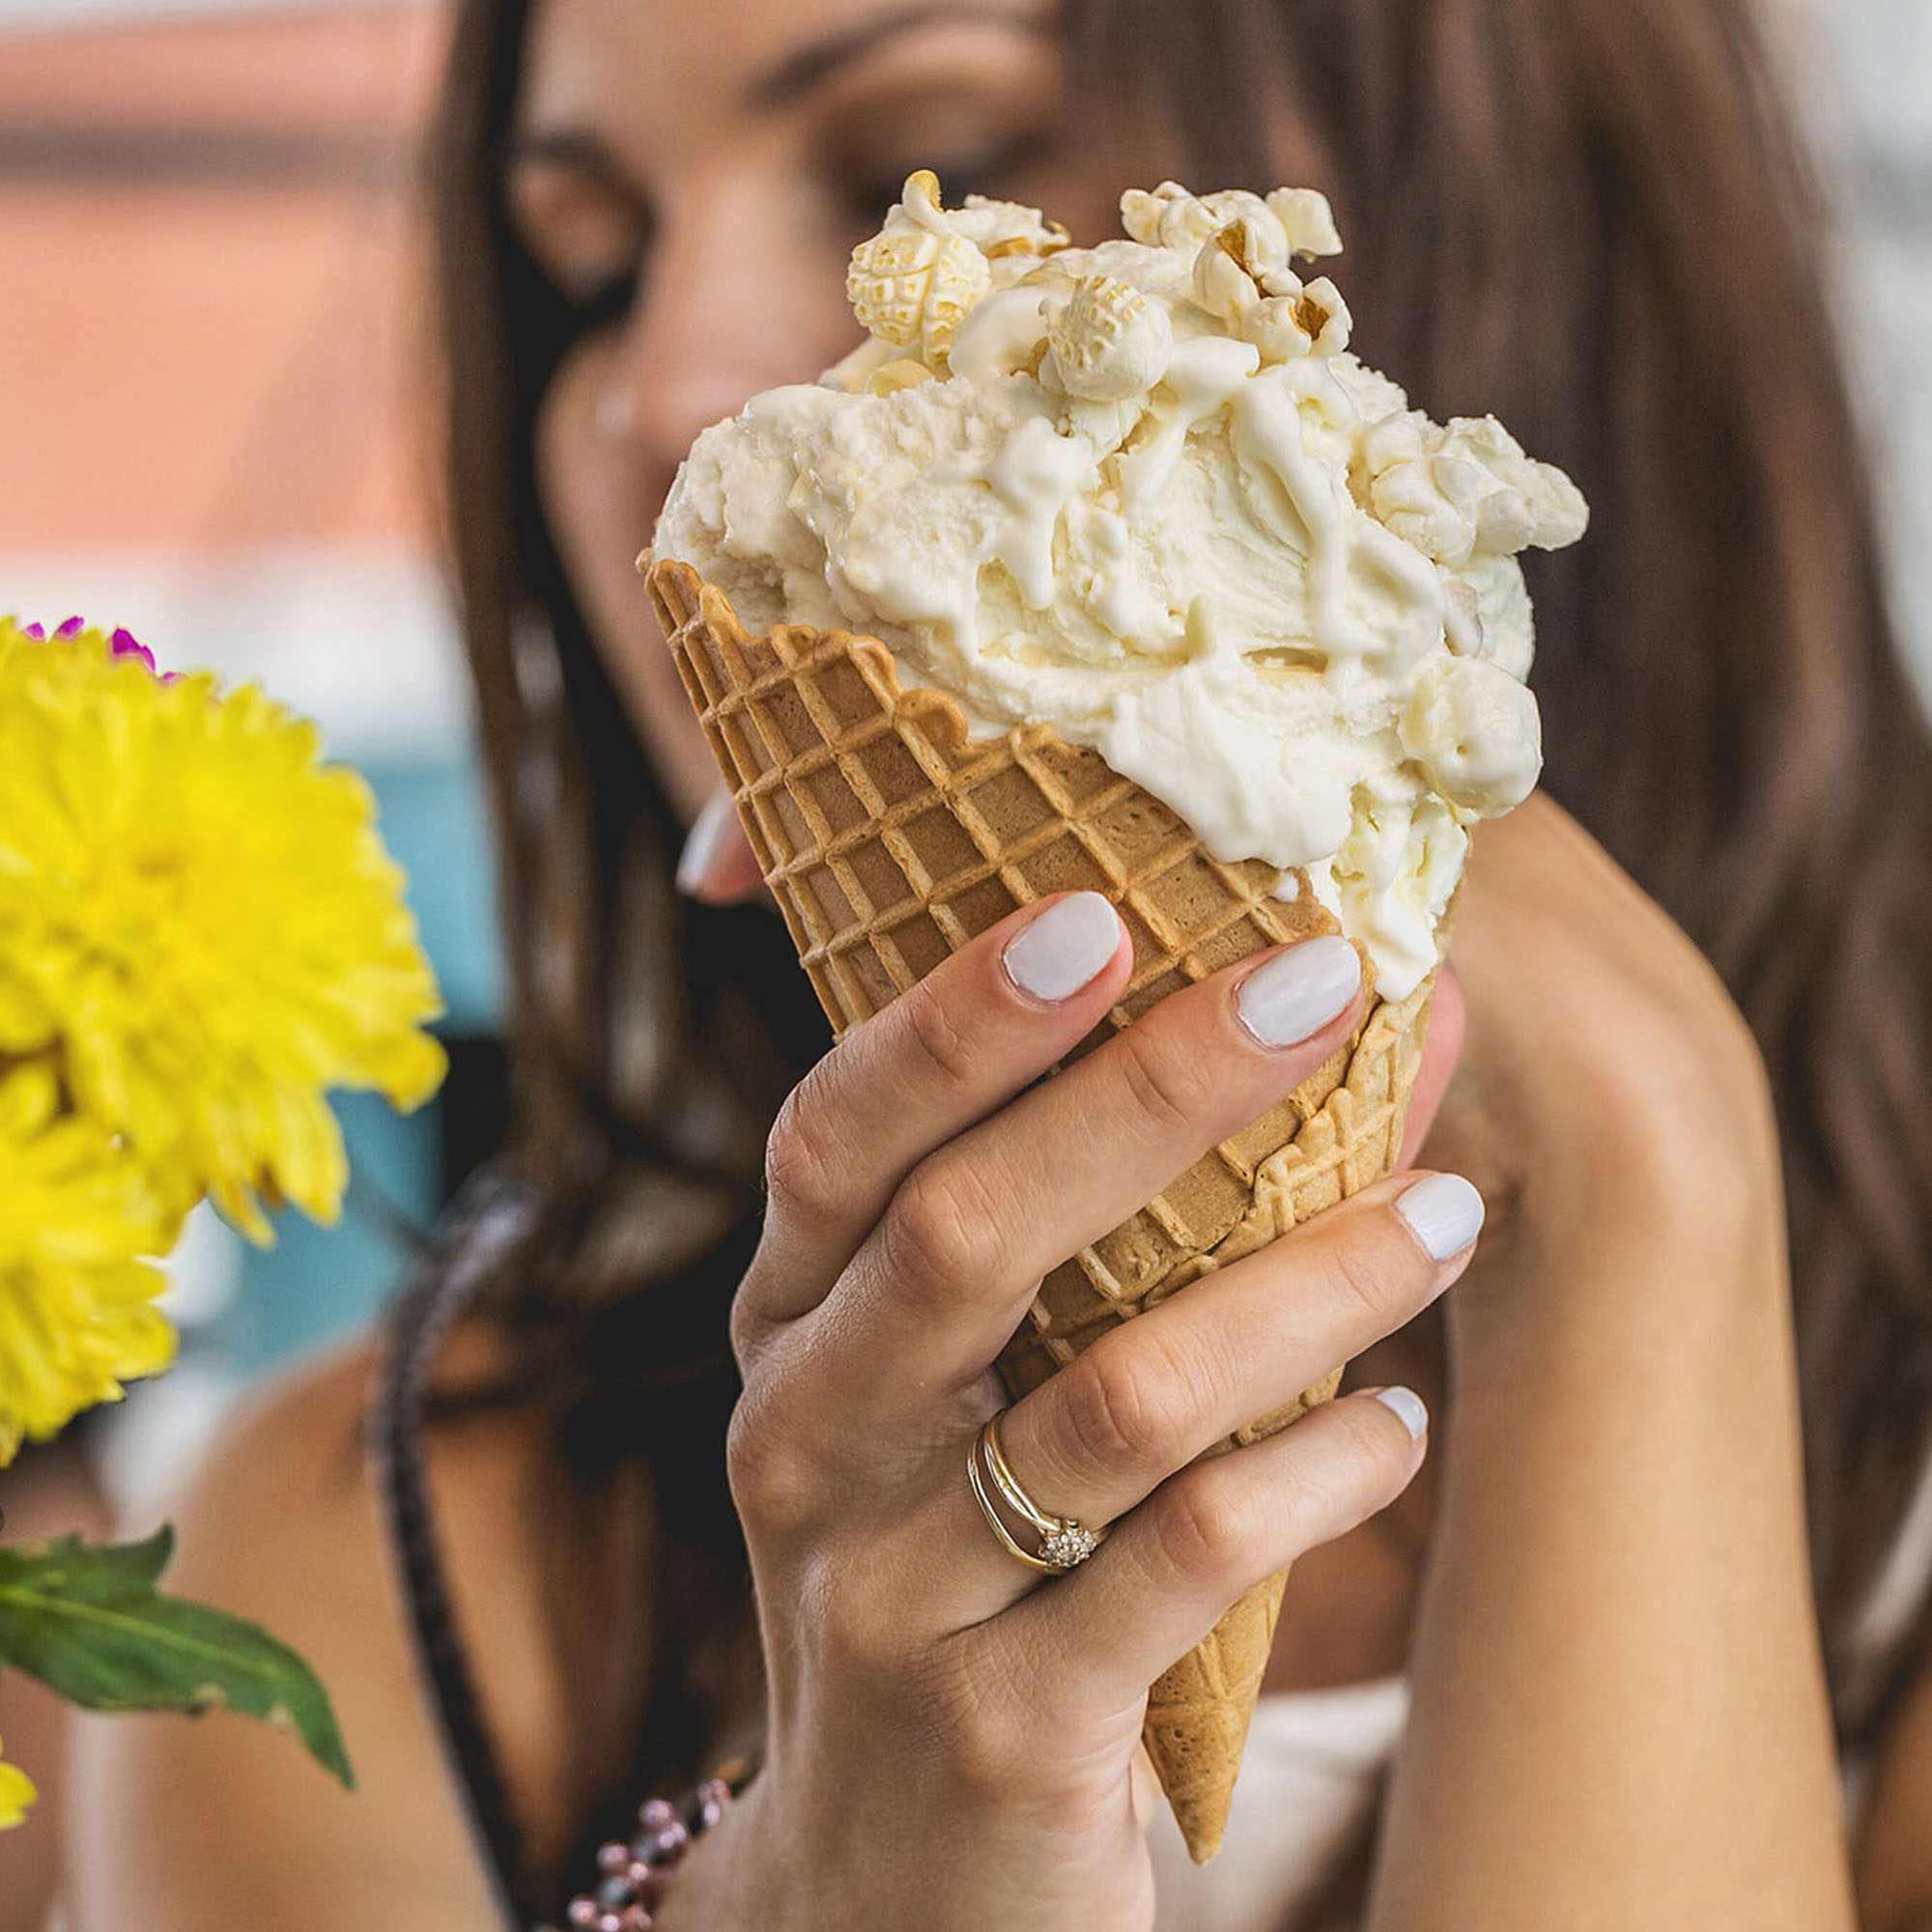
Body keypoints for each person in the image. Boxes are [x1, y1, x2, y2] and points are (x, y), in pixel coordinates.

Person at [66, 1, 1932, 1927]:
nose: (663, 387)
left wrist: (1639, 1179)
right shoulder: (344, 1570)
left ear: (1546, 182)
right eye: (596, 269)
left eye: (914, 173)